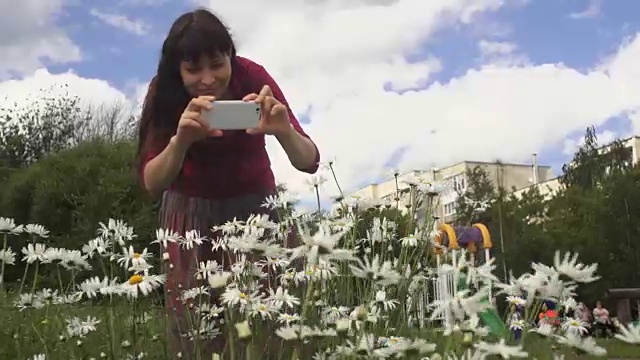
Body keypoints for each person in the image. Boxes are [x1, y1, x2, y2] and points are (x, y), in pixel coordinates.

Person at [136, 8, 320, 359]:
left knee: (274, 323)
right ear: (178, 69)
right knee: (198, 332)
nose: (207, 79)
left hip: (258, 214)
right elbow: (151, 182)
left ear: (230, 56)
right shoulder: (162, 92)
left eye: (217, 64)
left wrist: (282, 129)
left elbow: (309, 161)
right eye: (193, 69)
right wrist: (180, 142)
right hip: (189, 221)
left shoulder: (253, 77)